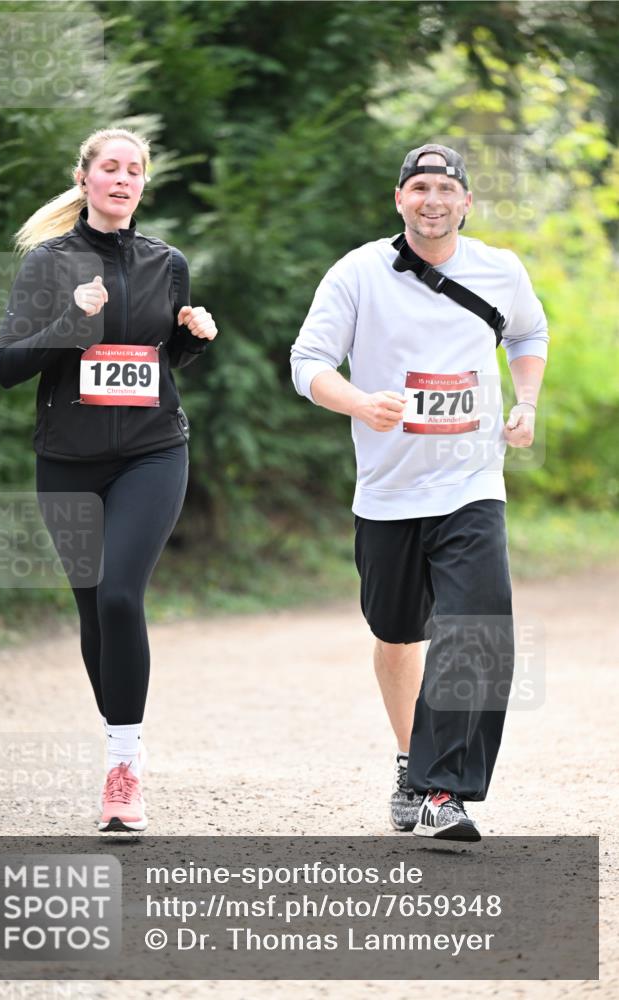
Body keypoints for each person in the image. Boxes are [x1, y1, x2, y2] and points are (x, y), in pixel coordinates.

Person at [290, 143, 547, 841]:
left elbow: (527, 331)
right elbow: (306, 361)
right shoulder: (358, 273)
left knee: (478, 629)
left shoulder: (500, 268)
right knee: (397, 633)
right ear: (399, 199)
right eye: (419, 187)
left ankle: (441, 792)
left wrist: (525, 402)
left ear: (465, 202)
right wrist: (355, 402)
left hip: (470, 481)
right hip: (388, 492)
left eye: (446, 188)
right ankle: (410, 762)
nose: (432, 199)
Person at [0, 127, 218, 833]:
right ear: (85, 178)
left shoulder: (168, 263)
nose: (122, 179)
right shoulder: (47, 264)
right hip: (67, 458)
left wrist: (190, 338)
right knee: (93, 610)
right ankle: (118, 732)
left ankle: (125, 766)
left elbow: (156, 363)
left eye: (133, 171)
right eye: (109, 168)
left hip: (153, 450)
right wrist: (72, 318)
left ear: (142, 185)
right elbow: (7, 366)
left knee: (121, 594)